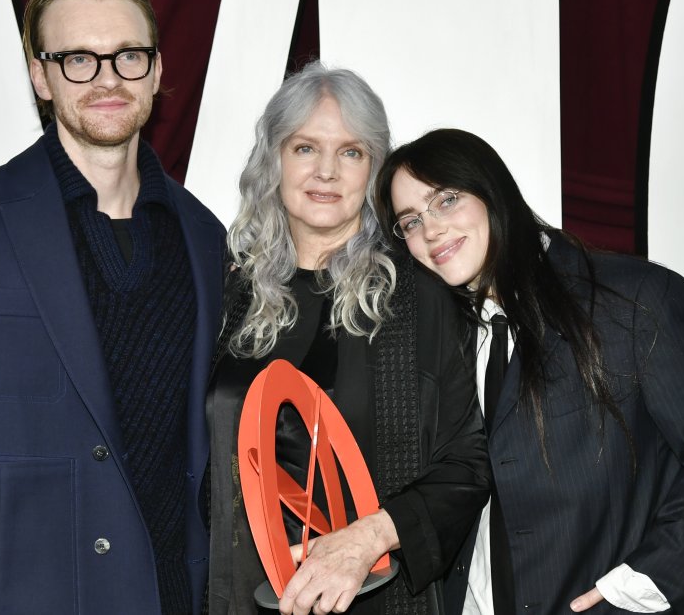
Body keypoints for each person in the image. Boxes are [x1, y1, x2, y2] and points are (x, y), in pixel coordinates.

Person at [0, 0, 225, 614]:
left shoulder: (204, 238)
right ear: (40, 75)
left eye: (127, 55)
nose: (107, 79)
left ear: (154, 69)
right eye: (78, 60)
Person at [377, 128, 684, 615]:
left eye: (446, 200)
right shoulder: (438, 339)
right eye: (410, 221)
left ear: (493, 191)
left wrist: (640, 584)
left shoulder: (636, 300)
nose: (430, 230)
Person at [206, 63, 489, 615]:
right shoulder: (226, 288)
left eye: (352, 152)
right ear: (274, 161)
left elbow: (468, 463)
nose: (327, 171)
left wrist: (368, 540)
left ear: (374, 171)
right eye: (306, 148)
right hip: (234, 592)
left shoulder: (418, 296)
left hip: (367, 597)